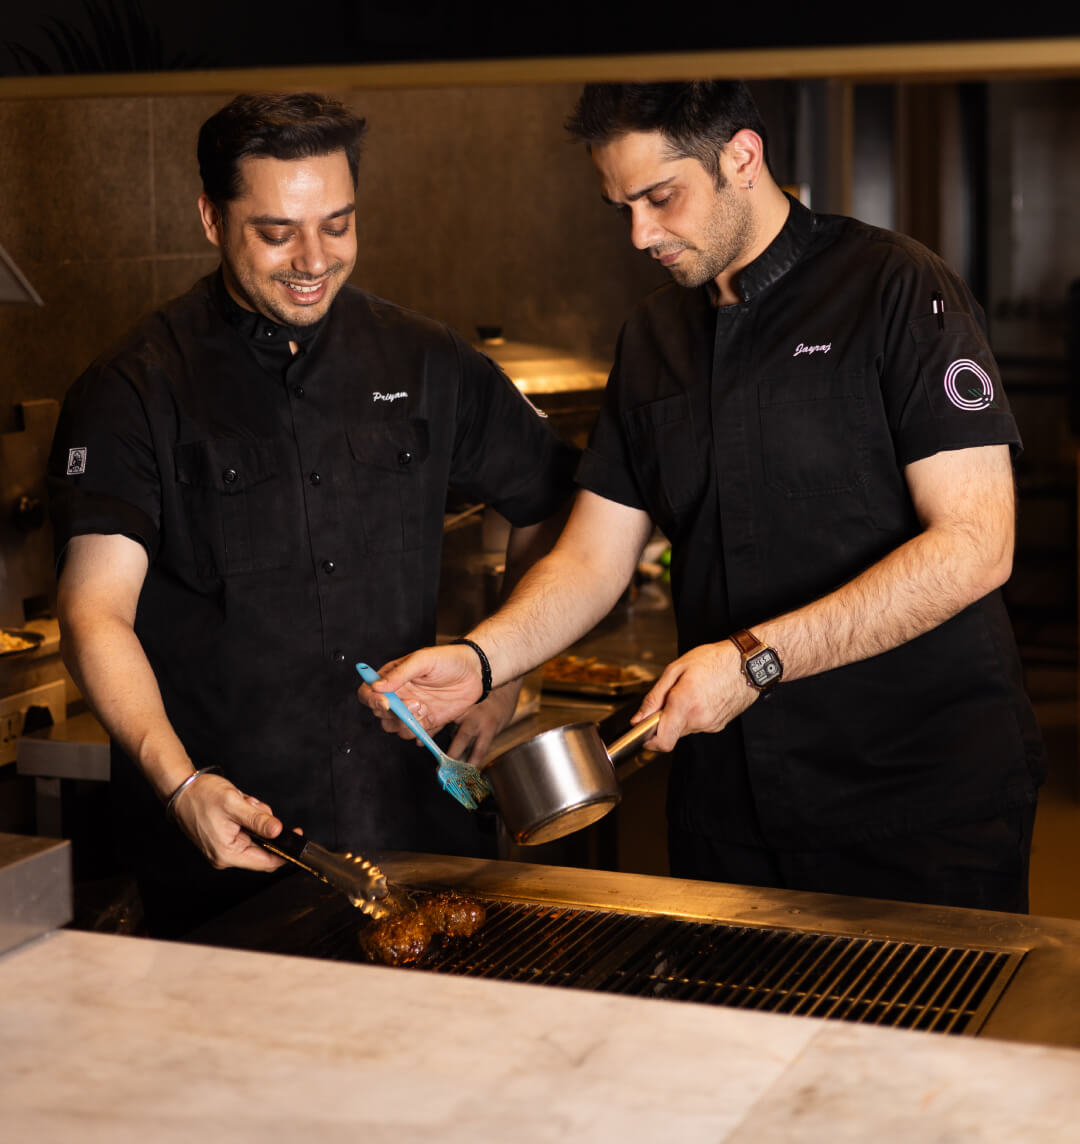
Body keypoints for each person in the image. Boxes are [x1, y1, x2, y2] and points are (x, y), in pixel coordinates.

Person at [361, 81, 1046, 914]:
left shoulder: (899, 290)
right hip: (730, 799)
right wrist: (482, 660)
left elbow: (978, 544)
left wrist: (755, 661)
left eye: (661, 197)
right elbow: (592, 555)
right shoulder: (653, 337)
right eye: (623, 208)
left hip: (917, 796)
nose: (642, 234)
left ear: (742, 158)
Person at [48, 92, 578, 937]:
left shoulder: (426, 360)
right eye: (275, 231)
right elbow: (94, 612)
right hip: (233, 850)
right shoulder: (135, 390)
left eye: (338, 224)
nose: (313, 258)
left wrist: (504, 674)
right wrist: (182, 784)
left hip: (418, 837)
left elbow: (554, 503)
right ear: (212, 220)